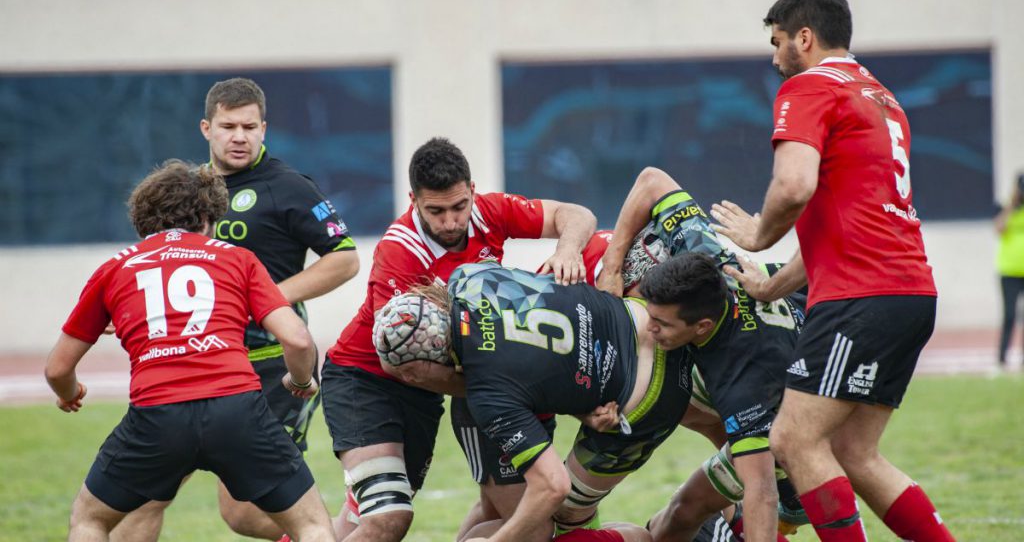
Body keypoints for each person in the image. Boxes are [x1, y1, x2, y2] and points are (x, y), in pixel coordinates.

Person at [710, 0, 954, 542]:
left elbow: (794, 186)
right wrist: (771, 289)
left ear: (805, 36)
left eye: (777, 43)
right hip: (909, 291)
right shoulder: (879, 95)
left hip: (860, 300)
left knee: (793, 440)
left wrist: (758, 234)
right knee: (853, 450)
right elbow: (841, 226)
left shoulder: (810, 86)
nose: (774, 58)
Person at [114, 77, 361, 542]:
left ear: (264, 128)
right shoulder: (186, 192)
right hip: (188, 364)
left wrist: (267, 298)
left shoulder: (288, 187)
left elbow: (345, 259)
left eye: (249, 126)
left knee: (244, 512)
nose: (239, 136)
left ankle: (337, 530)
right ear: (206, 128)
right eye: (228, 126)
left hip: (269, 368)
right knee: (142, 500)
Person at [320, 137, 596, 541]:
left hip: (426, 393)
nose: (450, 222)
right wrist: (508, 385)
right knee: (388, 517)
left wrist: (568, 250)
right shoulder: (400, 252)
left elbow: (576, 214)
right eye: (435, 211)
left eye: (458, 207)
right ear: (413, 200)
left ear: (471, 190)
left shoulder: (490, 211)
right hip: (366, 381)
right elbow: (402, 363)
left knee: (368, 517)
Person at [44, 160, 335, 542]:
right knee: (312, 525)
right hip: (237, 411)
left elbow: (57, 368)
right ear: (205, 214)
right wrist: (299, 380)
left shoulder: (114, 268)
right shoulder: (237, 258)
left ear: (144, 217)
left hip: (157, 416)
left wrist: (70, 394)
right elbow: (297, 339)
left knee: (90, 520)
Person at [373, 262, 694, 542]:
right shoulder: (469, 277)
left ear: (428, 365)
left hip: (654, 400)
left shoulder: (489, 394)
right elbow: (539, 354)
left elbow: (552, 486)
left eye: (410, 376)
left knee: (570, 515)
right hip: (652, 319)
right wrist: (582, 409)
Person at [640, 253, 802, 542]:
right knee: (682, 512)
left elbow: (761, 491)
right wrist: (613, 265)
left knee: (683, 511)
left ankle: (788, 491)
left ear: (702, 326)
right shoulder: (716, 262)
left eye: (661, 324)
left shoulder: (741, 382)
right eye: (650, 316)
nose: (649, 330)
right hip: (806, 375)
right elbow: (655, 203)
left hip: (806, 421)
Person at [994, 172, 1024, 369]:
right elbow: (998, 227)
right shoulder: (1007, 208)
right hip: (1009, 271)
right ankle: (1002, 356)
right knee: (1010, 315)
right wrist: (1012, 204)